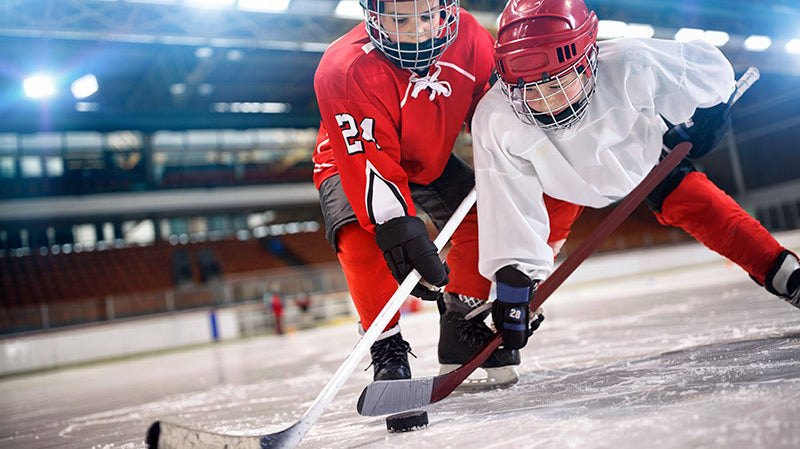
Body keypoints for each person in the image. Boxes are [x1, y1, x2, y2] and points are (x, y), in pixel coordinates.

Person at [471, 0, 800, 350]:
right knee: (528, 268)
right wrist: (512, 282)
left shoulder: (630, 61)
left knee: (701, 203)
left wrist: (711, 111)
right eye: (529, 90)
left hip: (641, 159)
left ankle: (785, 275)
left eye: (555, 85)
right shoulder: (496, 118)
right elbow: (507, 199)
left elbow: (702, 72)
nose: (545, 102)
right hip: (558, 182)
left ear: (588, 58)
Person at [312, 0, 521, 385]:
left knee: (485, 214)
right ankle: (386, 347)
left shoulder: (472, 38)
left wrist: (514, 167)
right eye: (401, 19)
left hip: (428, 154)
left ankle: (462, 323)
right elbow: (369, 164)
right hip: (355, 158)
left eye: (427, 16)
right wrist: (398, 229)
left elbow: (494, 115)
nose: (419, 30)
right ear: (374, 18)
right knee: (360, 240)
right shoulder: (343, 68)